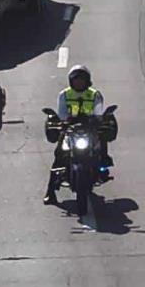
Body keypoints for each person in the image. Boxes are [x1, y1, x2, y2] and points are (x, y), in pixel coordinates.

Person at [44, 65, 112, 204]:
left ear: (87, 80)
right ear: (71, 81)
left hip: (89, 127)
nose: (78, 82)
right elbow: (62, 112)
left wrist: (98, 120)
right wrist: (62, 122)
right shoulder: (65, 94)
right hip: (71, 128)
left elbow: (98, 111)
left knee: (101, 142)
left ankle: (103, 165)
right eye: (76, 80)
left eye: (81, 79)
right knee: (59, 154)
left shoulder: (94, 94)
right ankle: (50, 191)